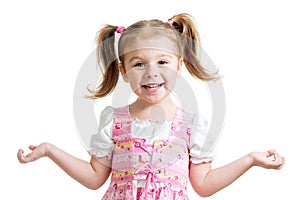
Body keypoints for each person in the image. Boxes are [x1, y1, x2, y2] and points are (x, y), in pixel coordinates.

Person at [17, 13, 285, 199]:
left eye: (163, 62)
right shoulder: (115, 121)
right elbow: (94, 178)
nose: (151, 73)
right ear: (123, 71)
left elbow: (203, 185)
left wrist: (250, 160)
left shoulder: (192, 126)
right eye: (139, 63)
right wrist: (49, 151)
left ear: (179, 66)